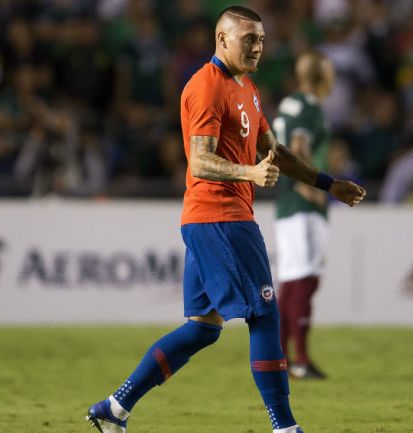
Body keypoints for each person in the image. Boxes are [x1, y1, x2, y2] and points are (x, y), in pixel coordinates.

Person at [85, 6, 366, 433]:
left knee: (202, 329)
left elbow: (277, 152)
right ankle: (285, 427)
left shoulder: (247, 88)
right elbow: (199, 160)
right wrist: (249, 173)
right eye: (248, 38)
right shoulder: (206, 87)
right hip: (222, 216)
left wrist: (328, 183)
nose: (257, 47)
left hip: (212, 219)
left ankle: (114, 408)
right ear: (222, 40)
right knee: (265, 314)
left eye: (261, 39)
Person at [272, 52, 335, 379]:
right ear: (323, 75)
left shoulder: (291, 104)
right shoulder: (309, 107)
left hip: (289, 204)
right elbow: (297, 146)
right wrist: (313, 190)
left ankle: (281, 359)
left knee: (295, 281)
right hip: (301, 205)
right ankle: (299, 360)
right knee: (303, 281)